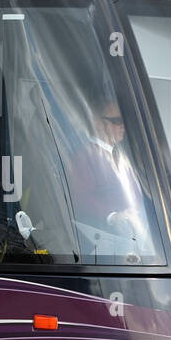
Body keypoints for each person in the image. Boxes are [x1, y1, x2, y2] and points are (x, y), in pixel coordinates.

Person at [65, 96, 150, 247]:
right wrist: (113, 216)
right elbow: (80, 198)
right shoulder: (83, 157)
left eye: (123, 121)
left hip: (133, 236)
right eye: (116, 121)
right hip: (103, 242)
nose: (122, 126)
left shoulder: (121, 157)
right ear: (97, 124)